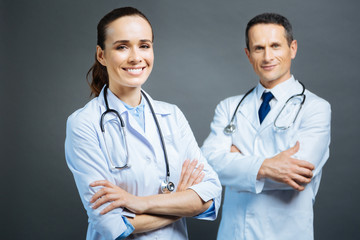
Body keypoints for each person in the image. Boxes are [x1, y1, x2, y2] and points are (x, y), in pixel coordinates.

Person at [65, 7, 221, 240]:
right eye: (122, 46)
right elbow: (109, 223)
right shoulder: (84, 123)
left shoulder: (172, 115)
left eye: (144, 45)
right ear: (101, 55)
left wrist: (137, 203)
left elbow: (210, 196)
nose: (136, 57)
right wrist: (180, 204)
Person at [201, 13, 331, 240]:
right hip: (233, 234)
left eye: (275, 46)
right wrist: (268, 166)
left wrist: (237, 162)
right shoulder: (228, 107)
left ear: (292, 48)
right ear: (248, 54)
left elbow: (297, 174)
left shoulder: (316, 108)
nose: (267, 56)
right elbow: (209, 163)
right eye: (259, 48)